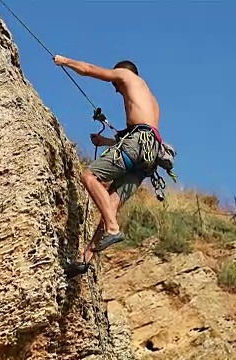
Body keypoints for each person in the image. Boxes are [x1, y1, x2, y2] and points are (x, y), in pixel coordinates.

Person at [52, 55, 164, 278]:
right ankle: (86, 258)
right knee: (110, 206)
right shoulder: (151, 101)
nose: (115, 89)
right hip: (149, 156)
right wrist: (106, 142)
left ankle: (113, 228)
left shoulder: (126, 75)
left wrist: (64, 61)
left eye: (115, 84)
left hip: (137, 144)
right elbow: (142, 134)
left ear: (123, 73)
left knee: (89, 176)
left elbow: (89, 68)